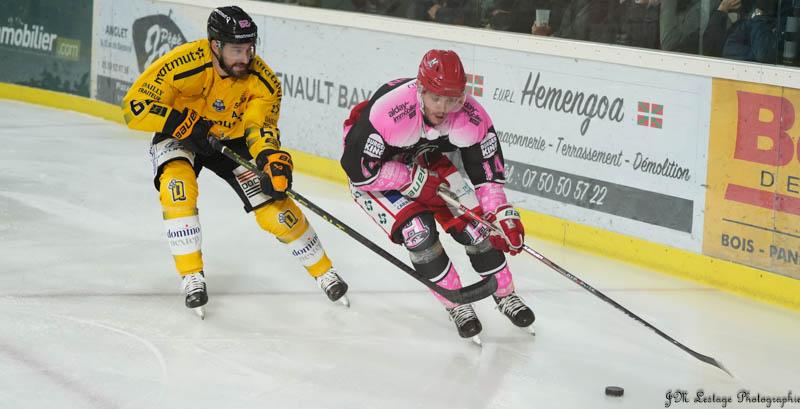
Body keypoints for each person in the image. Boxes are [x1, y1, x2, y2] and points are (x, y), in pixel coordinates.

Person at [121, 6, 349, 317]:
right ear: (215, 45)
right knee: (177, 186)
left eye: (249, 48)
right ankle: (191, 276)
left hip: (231, 138)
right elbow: (134, 106)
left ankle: (325, 272)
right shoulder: (182, 63)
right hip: (182, 134)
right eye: (237, 49)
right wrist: (179, 122)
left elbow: (262, 129)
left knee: (275, 208)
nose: (246, 57)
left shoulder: (264, 81)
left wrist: (272, 160)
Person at [340, 50, 535, 343]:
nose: (444, 107)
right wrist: (411, 181)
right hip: (377, 175)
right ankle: (456, 305)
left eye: (453, 98)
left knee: (478, 226)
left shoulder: (471, 115)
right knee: (418, 233)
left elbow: (488, 175)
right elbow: (359, 171)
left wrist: (500, 214)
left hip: (422, 158)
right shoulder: (391, 112)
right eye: (436, 98)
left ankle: (505, 295)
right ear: (420, 89)